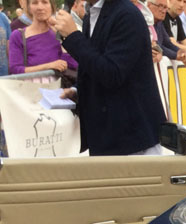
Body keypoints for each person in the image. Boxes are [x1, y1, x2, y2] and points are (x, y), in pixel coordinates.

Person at [49, 0, 165, 155]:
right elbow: (95, 61)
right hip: (108, 137)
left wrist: (73, 36)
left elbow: (113, 73)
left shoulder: (127, 15)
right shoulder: (92, 15)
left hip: (133, 140)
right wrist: (78, 90)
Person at [9, 0, 78, 74]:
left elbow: (73, 64)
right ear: (29, 8)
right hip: (31, 81)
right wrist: (49, 66)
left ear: (51, 6)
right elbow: (15, 69)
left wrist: (62, 37)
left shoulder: (60, 32)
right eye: (35, 3)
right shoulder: (18, 36)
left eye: (45, 2)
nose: (40, 7)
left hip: (61, 81)